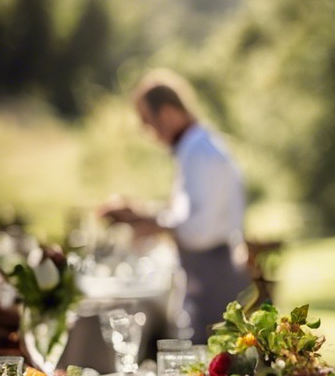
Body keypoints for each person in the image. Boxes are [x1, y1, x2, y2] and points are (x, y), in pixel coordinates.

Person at [100, 70, 251, 336]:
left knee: (207, 365)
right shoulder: (196, 148)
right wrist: (143, 215)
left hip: (212, 276)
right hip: (208, 272)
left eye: (148, 122)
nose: (148, 132)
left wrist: (150, 223)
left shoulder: (200, 152)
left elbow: (199, 230)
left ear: (168, 113)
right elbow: (188, 214)